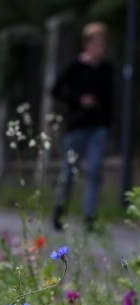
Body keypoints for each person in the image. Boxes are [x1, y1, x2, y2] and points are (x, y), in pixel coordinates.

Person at [50, 22, 114, 231]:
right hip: (76, 125)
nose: (100, 48)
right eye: (97, 43)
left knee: (94, 171)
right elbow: (56, 90)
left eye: (103, 44)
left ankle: (89, 217)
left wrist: (106, 118)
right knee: (69, 171)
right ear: (87, 44)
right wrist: (79, 100)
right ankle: (60, 210)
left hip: (98, 127)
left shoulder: (107, 69)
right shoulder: (75, 66)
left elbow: (111, 98)